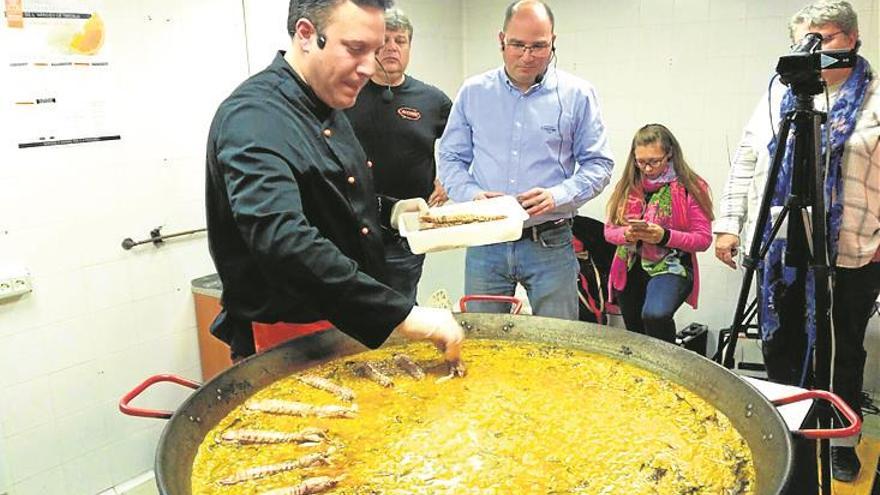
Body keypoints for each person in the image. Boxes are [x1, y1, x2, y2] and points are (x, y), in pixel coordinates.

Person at [204, 0, 464, 365]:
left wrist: (390, 210)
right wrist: (402, 314)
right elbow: (282, 239)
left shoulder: (329, 103)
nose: (368, 67)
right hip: (285, 338)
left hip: (343, 323)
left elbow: (333, 194)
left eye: (374, 52)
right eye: (356, 49)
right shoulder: (254, 117)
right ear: (307, 35)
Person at [713, 0, 879, 482]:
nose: (812, 51)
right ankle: (787, 436)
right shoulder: (775, 99)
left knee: (841, 349)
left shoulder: (873, 101)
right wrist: (729, 223)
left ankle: (841, 439)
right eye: (802, 41)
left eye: (822, 39)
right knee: (781, 345)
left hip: (851, 250)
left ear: (851, 40)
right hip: (782, 248)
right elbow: (746, 162)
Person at [438, 0, 613, 319]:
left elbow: (599, 165)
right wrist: (473, 196)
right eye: (517, 45)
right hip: (485, 238)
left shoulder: (577, 94)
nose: (527, 56)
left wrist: (556, 195)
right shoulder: (474, 92)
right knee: (483, 340)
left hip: (550, 238)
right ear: (501, 40)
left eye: (538, 46)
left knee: (557, 344)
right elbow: (450, 159)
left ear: (553, 43)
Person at [345, 7, 452, 304]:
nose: (392, 48)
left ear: (409, 46)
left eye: (400, 41)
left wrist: (450, 180)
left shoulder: (433, 100)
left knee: (399, 307)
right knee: (356, 310)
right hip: (354, 226)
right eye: (384, 40)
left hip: (406, 231)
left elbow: (467, 143)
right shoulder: (347, 95)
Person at [603, 124, 713, 344]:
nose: (647, 168)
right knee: (635, 331)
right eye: (640, 161)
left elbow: (703, 239)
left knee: (655, 315)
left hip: (673, 265)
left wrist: (664, 236)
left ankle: (670, 366)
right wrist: (628, 234)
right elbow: (609, 232)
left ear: (670, 153)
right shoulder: (627, 186)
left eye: (654, 161)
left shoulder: (690, 186)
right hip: (629, 265)